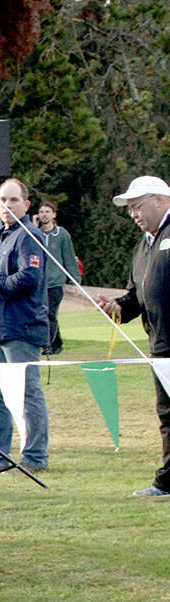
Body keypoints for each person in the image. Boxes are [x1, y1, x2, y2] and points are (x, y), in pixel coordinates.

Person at [99, 175, 170, 497]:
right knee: (168, 417)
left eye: (138, 207)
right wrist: (117, 307)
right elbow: (136, 298)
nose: (134, 215)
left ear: (160, 200)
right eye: (130, 211)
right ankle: (168, 482)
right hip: (160, 346)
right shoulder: (143, 246)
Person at [0, 178, 49, 472]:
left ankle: (35, 457)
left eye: (13, 200)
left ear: (26, 205)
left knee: (27, 392)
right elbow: (10, 273)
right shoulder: (7, 235)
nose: (6, 206)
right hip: (1, 327)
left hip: (23, 327)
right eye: (2, 200)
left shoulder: (28, 234)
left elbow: (29, 277)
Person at [33, 201, 79, 356]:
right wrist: (33, 227)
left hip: (55, 283)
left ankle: (49, 345)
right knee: (43, 313)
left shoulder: (62, 235)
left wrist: (74, 280)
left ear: (54, 214)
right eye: (42, 212)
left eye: (47, 211)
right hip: (40, 283)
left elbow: (69, 258)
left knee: (50, 313)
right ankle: (56, 343)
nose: (44, 214)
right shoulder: (35, 233)